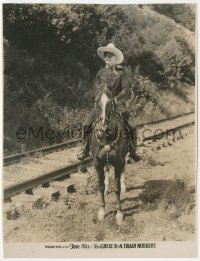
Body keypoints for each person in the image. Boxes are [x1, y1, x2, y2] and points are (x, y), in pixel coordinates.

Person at [77, 43, 141, 161]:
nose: (107, 57)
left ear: (115, 58)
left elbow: (126, 89)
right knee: (86, 124)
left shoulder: (122, 72)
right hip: (101, 105)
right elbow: (96, 88)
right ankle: (85, 150)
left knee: (132, 125)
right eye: (106, 55)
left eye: (110, 55)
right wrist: (99, 99)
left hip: (118, 105)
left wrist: (116, 99)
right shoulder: (100, 73)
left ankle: (133, 151)